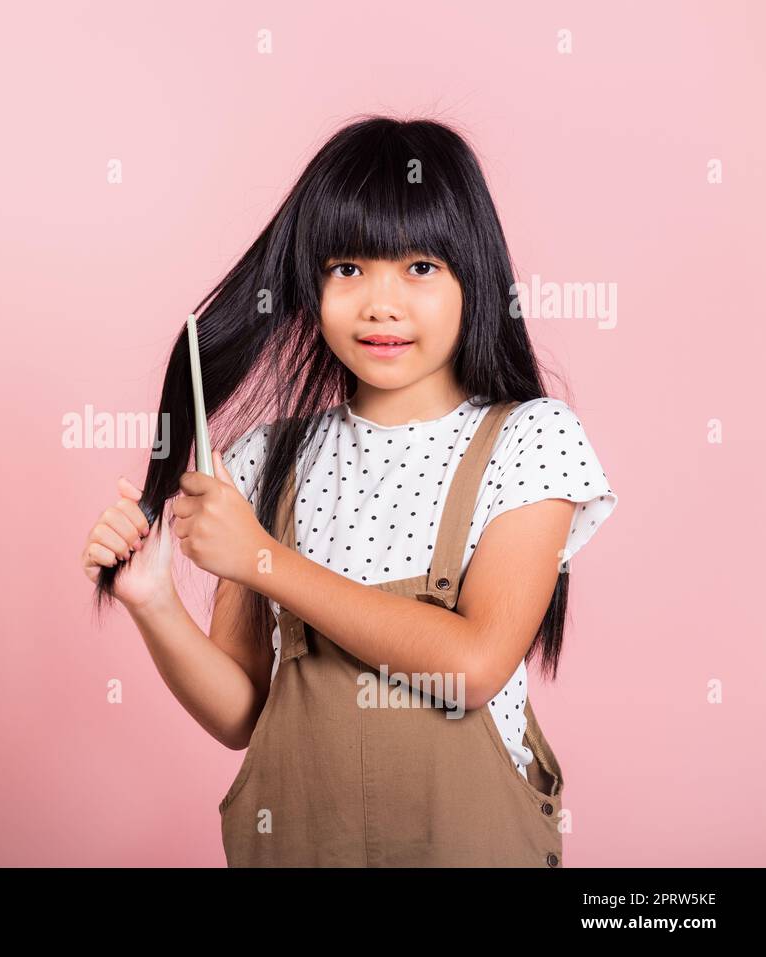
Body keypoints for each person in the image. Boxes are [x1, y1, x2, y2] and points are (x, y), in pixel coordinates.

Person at [80, 115, 618, 866]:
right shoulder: (266, 462)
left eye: (421, 267)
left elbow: (470, 666)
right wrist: (155, 602)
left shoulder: (531, 440)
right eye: (348, 269)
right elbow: (245, 712)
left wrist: (263, 560)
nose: (381, 303)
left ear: (476, 275)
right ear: (312, 284)